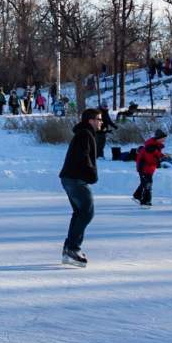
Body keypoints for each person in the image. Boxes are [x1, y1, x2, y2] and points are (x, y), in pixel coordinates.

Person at [60, 109, 102, 267]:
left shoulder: (84, 133)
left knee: (80, 213)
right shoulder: (85, 134)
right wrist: (92, 174)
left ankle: (69, 248)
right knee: (86, 213)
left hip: (70, 178)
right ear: (90, 120)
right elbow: (83, 157)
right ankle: (72, 249)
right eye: (99, 119)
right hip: (75, 179)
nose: (101, 122)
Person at [133, 129, 169, 207]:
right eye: (163, 138)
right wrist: (160, 161)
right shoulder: (151, 147)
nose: (164, 140)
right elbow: (150, 160)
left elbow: (156, 154)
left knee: (144, 183)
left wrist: (163, 156)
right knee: (148, 184)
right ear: (158, 138)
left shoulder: (154, 146)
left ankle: (137, 196)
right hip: (144, 168)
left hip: (148, 168)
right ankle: (146, 201)